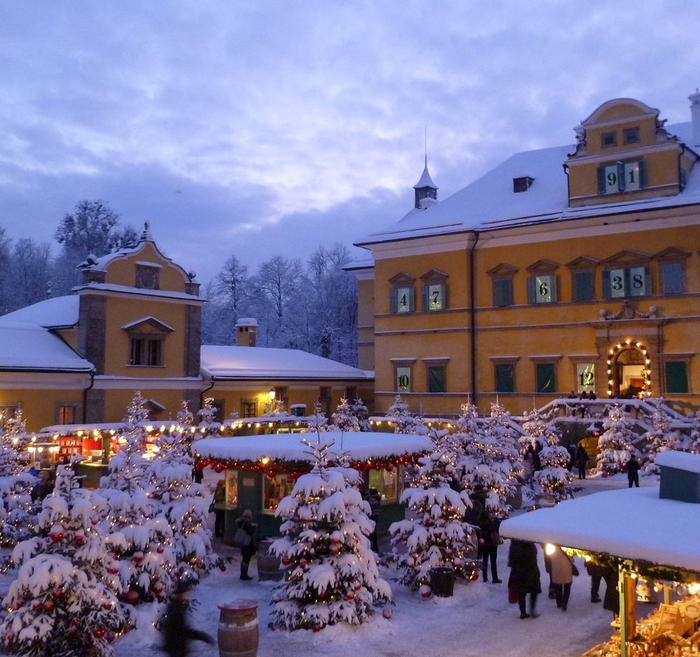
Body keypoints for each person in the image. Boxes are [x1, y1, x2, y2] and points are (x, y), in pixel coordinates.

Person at [162, 580, 214, 657]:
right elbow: (183, 631)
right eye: (185, 592)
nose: (187, 595)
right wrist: (203, 637)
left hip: (176, 648)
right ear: (181, 593)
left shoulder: (175, 605)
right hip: (177, 648)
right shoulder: (177, 608)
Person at [508, 540, 541, 619]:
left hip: (518, 571)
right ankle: (532, 610)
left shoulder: (515, 542)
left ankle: (523, 612)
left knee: (521, 592)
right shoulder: (529, 542)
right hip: (531, 570)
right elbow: (533, 555)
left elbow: (511, 558)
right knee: (534, 591)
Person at [478, 509, 502, 583]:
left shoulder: (480, 524)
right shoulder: (491, 523)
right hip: (492, 544)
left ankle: (485, 578)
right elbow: (498, 527)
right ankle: (494, 578)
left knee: (485, 561)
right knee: (493, 561)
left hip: (485, 544)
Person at [550, 545, 575, 612]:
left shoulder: (552, 541)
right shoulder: (568, 541)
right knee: (567, 585)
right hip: (567, 564)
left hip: (556, 563)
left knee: (558, 584)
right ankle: (564, 602)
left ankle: (559, 602)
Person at [235, 509, 257, 580]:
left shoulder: (241, 522)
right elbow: (250, 532)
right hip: (246, 543)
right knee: (246, 558)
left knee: (245, 559)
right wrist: (254, 527)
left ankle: (243, 574)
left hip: (243, 542)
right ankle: (244, 575)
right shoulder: (246, 523)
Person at [367, 487, 382, 552]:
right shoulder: (377, 499)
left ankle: (373, 546)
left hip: (372, 517)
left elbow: (369, 509)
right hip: (376, 517)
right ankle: (375, 546)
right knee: (374, 531)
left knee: (371, 532)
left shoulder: (371, 500)